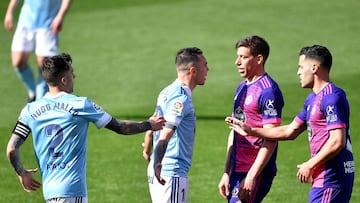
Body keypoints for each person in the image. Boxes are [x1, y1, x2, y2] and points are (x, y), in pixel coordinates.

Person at [6, 53, 166, 203]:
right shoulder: (80, 104)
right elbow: (120, 127)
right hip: (72, 191)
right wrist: (149, 124)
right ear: (63, 80)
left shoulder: (30, 110)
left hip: (50, 193)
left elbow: (12, 149)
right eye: (71, 73)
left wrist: (21, 172)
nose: (74, 76)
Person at [226, 45, 354, 203]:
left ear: (314, 68)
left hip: (332, 177)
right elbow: (289, 131)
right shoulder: (312, 99)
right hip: (323, 179)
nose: (298, 72)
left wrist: (310, 164)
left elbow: (337, 141)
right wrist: (251, 130)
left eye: (301, 67)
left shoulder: (331, 97)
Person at [218, 35, 284, 203]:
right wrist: (226, 172)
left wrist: (252, 175)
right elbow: (234, 132)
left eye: (243, 57)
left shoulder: (268, 91)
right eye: (237, 56)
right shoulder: (241, 88)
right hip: (237, 168)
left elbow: (272, 137)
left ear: (259, 59)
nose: (237, 62)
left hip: (256, 171)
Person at [145, 47, 209, 203]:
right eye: (205, 65)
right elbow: (166, 134)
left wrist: (148, 150)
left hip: (160, 169)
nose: (208, 69)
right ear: (193, 71)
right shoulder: (181, 98)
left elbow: (152, 126)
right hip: (170, 172)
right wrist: (158, 162)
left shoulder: (167, 91)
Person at [4, 0, 72, 102]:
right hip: (26, 22)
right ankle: (33, 92)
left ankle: (40, 99)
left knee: (45, 64)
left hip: (48, 23)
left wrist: (60, 16)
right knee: (18, 61)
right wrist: (9, 12)